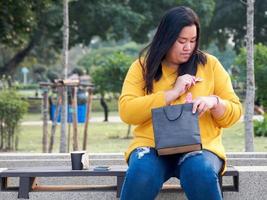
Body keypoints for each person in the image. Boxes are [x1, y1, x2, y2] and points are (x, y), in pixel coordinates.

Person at [118, 6, 242, 200]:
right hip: (152, 147)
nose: (188, 47)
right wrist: (171, 93)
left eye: (193, 41)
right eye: (181, 41)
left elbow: (235, 111)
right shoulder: (142, 67)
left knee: (199, 171)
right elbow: (127, 111)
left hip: (201, 148)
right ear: (166, 38)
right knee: (141, 172)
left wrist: (214, 102)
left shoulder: (210, 65)